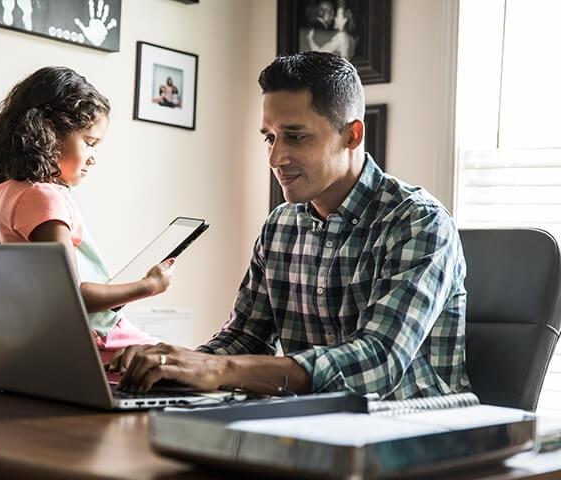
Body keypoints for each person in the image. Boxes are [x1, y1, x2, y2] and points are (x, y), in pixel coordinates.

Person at [117, 51, 470, 401]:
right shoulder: (280, 225)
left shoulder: (419, 220)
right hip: (312, 431)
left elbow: (378, 363)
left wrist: (220, 371)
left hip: (418, 432)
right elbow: (246, 337)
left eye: (295, 137)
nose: (275, 158)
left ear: (352, 136)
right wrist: (174, 366)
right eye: (269, 137)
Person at [0, 66, 175, 367]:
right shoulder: (45, 197)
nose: (93, 157)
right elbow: (68, 296)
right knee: (186, 365)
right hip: (96, 339)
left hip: (40, 344)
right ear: (49, 132)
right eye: (89, 142)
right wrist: (149, 286)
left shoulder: (8, 192)